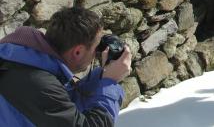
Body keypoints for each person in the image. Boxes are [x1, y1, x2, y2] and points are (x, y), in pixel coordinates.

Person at [0, 7, 131, 126]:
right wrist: (109, 83)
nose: (96, 53)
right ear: (77, 52)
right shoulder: (38, 84)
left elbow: (63, 104)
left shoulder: (22, 56)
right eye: (96, 47)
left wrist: (102, 75)